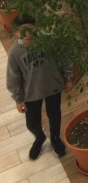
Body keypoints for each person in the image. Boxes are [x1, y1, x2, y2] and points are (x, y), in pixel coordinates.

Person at [7, 15, 73, 160]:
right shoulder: (15, 53)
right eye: (23, 31)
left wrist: (68, 77)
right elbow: (13, 77)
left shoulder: (49, 40)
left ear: (36, 27)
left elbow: (64, 58)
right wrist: (18, 99)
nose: (27, 34)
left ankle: (55, 137)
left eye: (31, 29)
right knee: (32, 123)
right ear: (16, 32)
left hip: (52, 86)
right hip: (31, 93)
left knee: (54, 115)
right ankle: (40, 137)